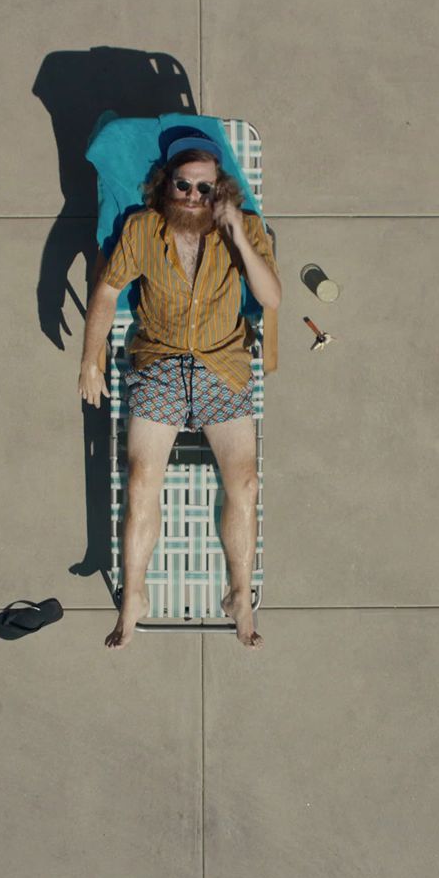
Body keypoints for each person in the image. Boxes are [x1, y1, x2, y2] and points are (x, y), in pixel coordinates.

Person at [77, 133, 281, 649]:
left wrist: (234, 227)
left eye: (205, 188)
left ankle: (239, 595)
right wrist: (91, 361)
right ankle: (134, 598)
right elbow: (105, 289)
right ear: (166, 185)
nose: (193, 195)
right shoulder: (143, 229)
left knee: (246, 483)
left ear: (221, 191)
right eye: (183, 185)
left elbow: (271, 296)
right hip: (161, 362)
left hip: (222, 363)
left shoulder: (244, 229)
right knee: (143, 477)